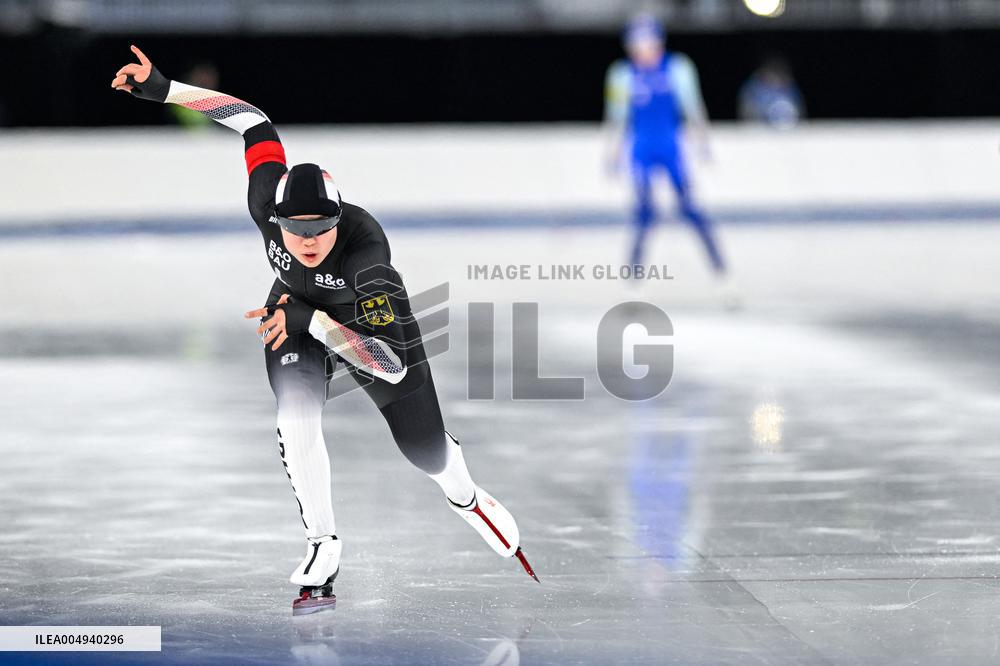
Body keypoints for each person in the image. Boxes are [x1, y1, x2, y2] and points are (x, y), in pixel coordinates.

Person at [110, 45, 537, 615]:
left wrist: (312, 317)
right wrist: (168, 90)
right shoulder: (267, 199)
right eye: (293, 229)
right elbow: (250, 119)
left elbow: (389, 363)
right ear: (275, 216)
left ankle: (465, 494)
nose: (306, 241)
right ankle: (322, 544)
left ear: (340, 220)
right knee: (296, 415)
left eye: (321, 229)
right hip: (295, 315)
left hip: (370, 332)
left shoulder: (368, 258)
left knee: (426, 454)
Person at [604, 15, 729, 282]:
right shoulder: (621, 74)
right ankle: (633, 280)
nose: (642, 49)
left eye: (647, 41)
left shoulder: (678, 67)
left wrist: (703, 144)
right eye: (636, 43)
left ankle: (721, 272)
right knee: (644, 215)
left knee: (691, 210)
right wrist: (612, 154)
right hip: (642, 149)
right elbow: (616, 117)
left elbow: (693, 108)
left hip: (671, 148)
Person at [738, 55, 805, 128]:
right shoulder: (753, 87)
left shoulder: (790, 87)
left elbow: (799, 112)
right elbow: (747, 114)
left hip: (786, 131)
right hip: (759, 131)